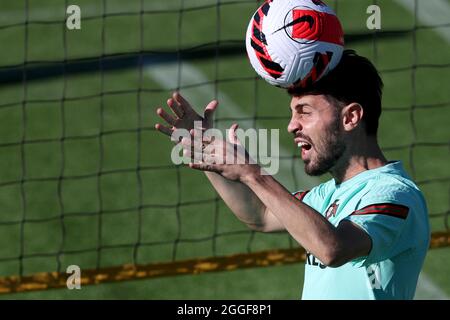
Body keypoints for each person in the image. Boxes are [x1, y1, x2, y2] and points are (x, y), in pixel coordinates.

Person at [154, 50, 430, 300]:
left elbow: (332, 248)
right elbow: (260, 214)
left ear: (351, 117)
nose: (291, 126)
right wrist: (206, 151)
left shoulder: (394, 194)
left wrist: (254, 174)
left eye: (304, 113)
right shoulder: (327, 194)